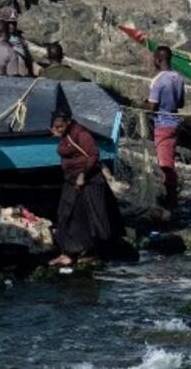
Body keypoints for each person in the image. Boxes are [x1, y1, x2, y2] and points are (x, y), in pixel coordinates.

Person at [49, 111, 123, 266]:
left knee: (87, 216)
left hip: (88, 180)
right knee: (65, 213)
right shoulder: (65, 134)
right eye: (55, 127)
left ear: (69, 122)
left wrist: (83, 174)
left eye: (61, 126)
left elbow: (94, 154)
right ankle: (68, 253)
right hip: (71, 179)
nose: (58, 129)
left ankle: (89, 251)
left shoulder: (81, 133)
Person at [146, 46, 185, 207]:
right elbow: (181, 103)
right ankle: (171, 194)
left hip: (163, 125)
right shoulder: (178, 77)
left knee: (165, 163)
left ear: (158, 59)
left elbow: (153, 106)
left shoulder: (158, 80)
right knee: (170, 158)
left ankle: (171, 198)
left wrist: (144, 103)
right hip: (175, 122)